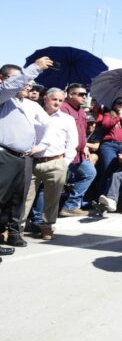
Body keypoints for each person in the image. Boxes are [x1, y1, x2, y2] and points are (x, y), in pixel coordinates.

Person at [0, 58, 52, 254]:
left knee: (15, 200)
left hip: (21, 157)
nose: (25, 84)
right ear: (2, 79)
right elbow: (9, 87)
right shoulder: (3, 96)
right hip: (5, 156)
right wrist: (35, 68)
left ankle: (11, 233)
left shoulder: (20, 102)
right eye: (18, 79)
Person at [23, 88, 78, 240]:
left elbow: (72, 143)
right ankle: (17, 227)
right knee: (25, 197)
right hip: (32, 162)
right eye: (54, 99)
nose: (57, 103)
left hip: (56, 162)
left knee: (52, 199)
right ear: (45, 99)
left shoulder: (67, 119)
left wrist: (65, 162)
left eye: (61, 100)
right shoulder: (33, 114)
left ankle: (47, 227)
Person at [59, 83, 96, 217]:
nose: (84, 97)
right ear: (70, 94)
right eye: (81, 94)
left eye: (85, 94)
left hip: (79, 153)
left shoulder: (81, 110)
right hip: (64, 153)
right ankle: (40, 216)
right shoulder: (63, 108)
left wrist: (85, 146)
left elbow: (82, 131)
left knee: (89, 173)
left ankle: (71, 206)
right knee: (55, 183)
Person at [94, 98, 122, 198]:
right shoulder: (108, 114)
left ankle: (117, 197)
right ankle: (101, 196)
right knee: (107, 170)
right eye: (119, 103)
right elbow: (106, 125)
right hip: (110, 145)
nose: (121, 105)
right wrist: (119, 117)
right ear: (114, 105)